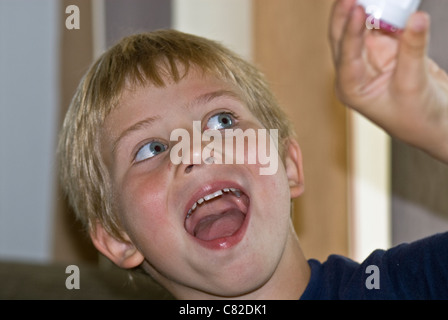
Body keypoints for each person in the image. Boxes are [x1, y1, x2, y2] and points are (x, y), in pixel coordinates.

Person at [58, 0, 448, 299]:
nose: (196, 151)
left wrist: (439, 124)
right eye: (152, 148)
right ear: (117, 237)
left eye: (221, 122)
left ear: (288, 164)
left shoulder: (410, 284)